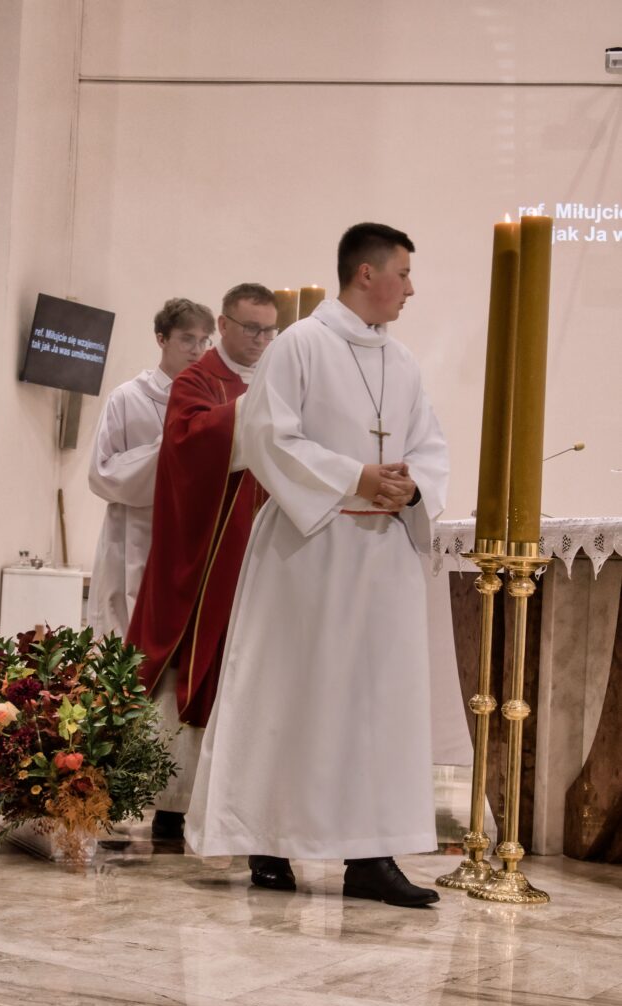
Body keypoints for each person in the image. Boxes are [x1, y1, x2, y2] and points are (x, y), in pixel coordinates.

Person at [185, 224, 449, 907]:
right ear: (366, 274)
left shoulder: (403, 362)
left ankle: (371, 855)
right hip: (309, 551)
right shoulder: (301, 344)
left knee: (374, 706)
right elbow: (267, 435)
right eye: (403, 273)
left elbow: (430, 445)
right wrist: (356, 477)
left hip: (382, 552)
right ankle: (269, 839)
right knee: (292, 694)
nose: (410, 289)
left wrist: (411, 488)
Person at [127, 283, 278, 839]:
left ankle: (238, 800)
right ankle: (173, 802)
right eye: (251, 328)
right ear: (225, 324)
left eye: (269, 330)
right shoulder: (197, 381)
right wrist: (253, 410)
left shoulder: (274, 382)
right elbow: (188, 447)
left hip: (262, 552)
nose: (260, 339)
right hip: (206, 554)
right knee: (189, 664)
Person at [87, 298, 214, 639]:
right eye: (187, 339)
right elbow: (101, 473)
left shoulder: (211, 402)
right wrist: (166, 452)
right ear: (161, 339)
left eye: (204, 340)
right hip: (133, 536)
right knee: (126, 639)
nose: (197, 350)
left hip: (190, 540)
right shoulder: (127, 397)